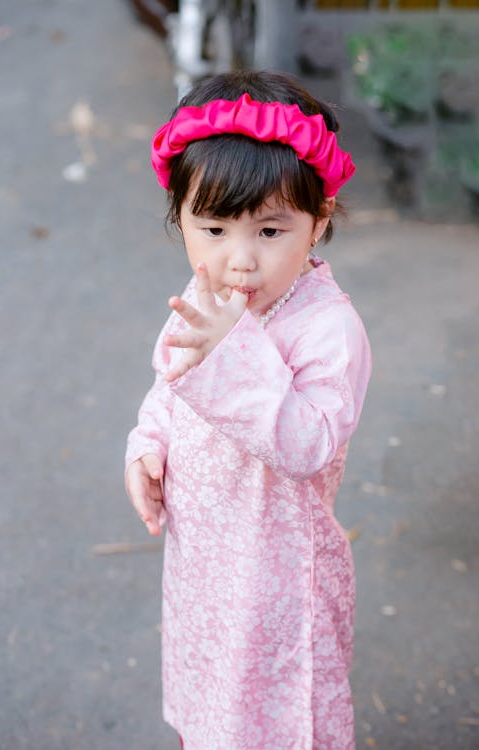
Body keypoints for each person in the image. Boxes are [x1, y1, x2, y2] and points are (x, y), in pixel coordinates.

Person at [125, 69, 372, 749]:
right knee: (210, 705)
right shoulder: (202, 295)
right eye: (213, 228)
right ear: (180, 219)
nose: (239, 261)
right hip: (205, 560)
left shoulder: (328, 330)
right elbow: (166, 384)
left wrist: (227, 353)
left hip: (278, 577)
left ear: (319, 219)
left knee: (279, 714)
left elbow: (309, 442)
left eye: (269, 231)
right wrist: (147, 445)